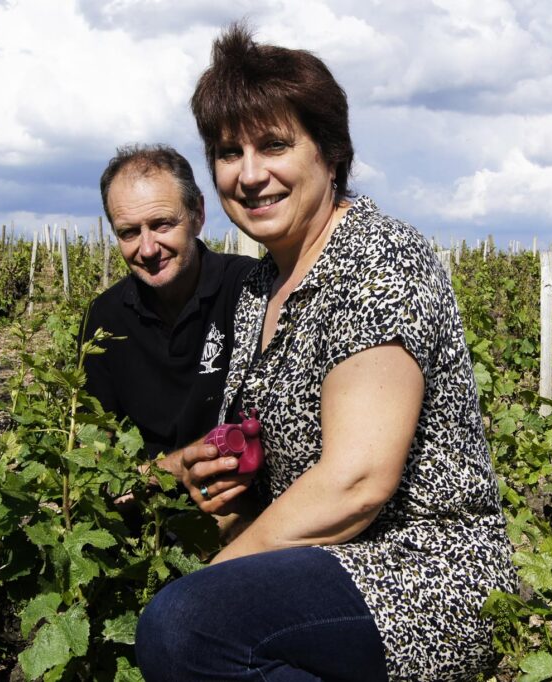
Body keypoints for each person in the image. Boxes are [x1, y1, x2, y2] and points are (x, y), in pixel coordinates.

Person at [135, 24, 516, 681]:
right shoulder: (262, 284)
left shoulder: (376, 260)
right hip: (325, 571)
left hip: (423, 574)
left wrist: (214, 580)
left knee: (184, 627)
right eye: (228, 153)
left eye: (274, 145)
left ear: (330, 154)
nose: (250, 175)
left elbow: (356, 484)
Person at [83, 144, 256, 486]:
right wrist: (171, 471)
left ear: (197, 215)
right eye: (129, 232)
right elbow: (95, 452)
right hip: (148, 509)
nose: (147, 249)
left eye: (162, 225)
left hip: (243, 501)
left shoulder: (248, 289)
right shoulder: (104, 317)